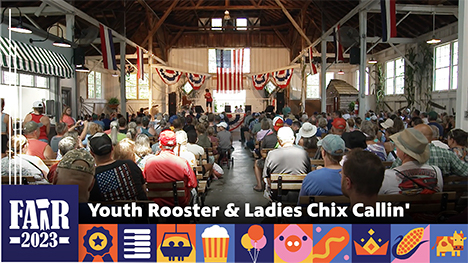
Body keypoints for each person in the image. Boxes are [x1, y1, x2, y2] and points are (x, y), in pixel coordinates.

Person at [380, 128, 443, 195]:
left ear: (405, 153)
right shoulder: (436, 171)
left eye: (398, 146)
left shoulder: (388, 176)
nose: (397, 148)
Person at [143, 130, 197, 207]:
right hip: (179, 202)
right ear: (175, 145)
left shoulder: (149, 163)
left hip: (156, 203)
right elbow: (192, 184)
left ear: (160, 145)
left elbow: (144, 181)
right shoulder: (182, 163)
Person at [88, 132, 147, 201]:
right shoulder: (130, 165)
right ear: (112, 148)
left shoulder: (92, 177)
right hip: (141, 210)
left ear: (92, 153)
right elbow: (144, 190)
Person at [392, 124, 468, 176]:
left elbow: (393, 172)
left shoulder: (407, 154)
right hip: (440, 196)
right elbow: (465, 171)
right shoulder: (447, 154)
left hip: (408, 194)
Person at [263, 127, 311, 201]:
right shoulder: (303, 153)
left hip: (278, 194)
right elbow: (308, 173)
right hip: (300, 193)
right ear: (293, 139)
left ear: (279, 141)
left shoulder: (271, 154)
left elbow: (266, 177)